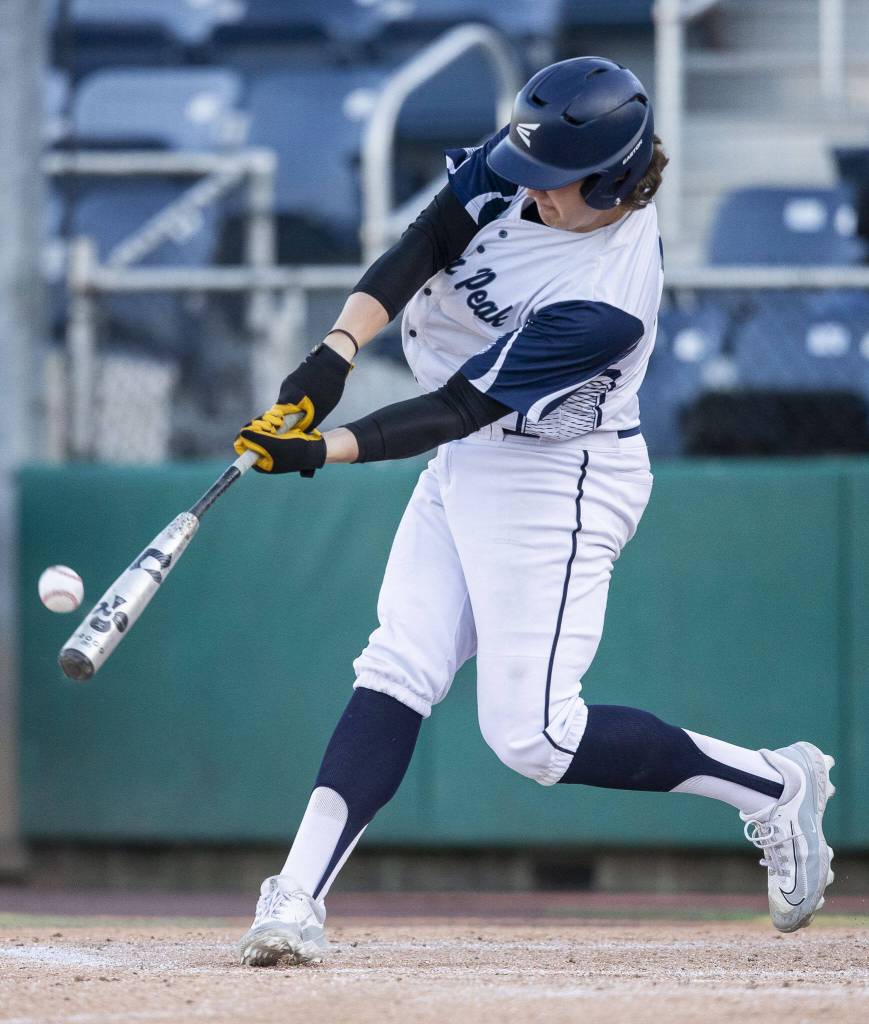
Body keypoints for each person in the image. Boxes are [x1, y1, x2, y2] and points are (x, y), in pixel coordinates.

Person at [232, 57, 835, 967]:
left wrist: (323, 449)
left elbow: (459, 408)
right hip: (472, 456)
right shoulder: (539, 155)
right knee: (398, 663)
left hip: (558, 477)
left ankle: (772, 784)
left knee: (535, 737)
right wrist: (334, 353)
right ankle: (295, 896)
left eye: (554, 186)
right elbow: (430, 237)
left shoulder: (606, 301)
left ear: (616, 183)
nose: (529, 193)